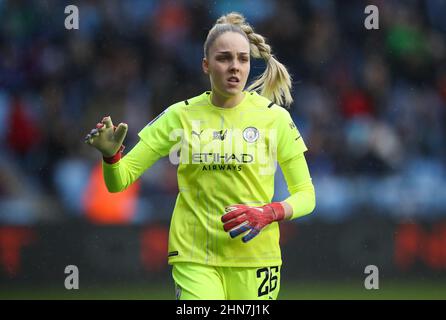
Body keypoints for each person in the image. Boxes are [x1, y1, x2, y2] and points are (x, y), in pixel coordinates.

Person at [85, 12, 316, 300]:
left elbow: (306, 195)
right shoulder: (179, 116)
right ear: (206, 65)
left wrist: (269, 213)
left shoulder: (275, 119)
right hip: (194, 256)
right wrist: (111, 157)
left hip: (256, 257)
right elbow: (119, 181)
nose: (235, 67)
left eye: (242, 59)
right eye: (224, 58)